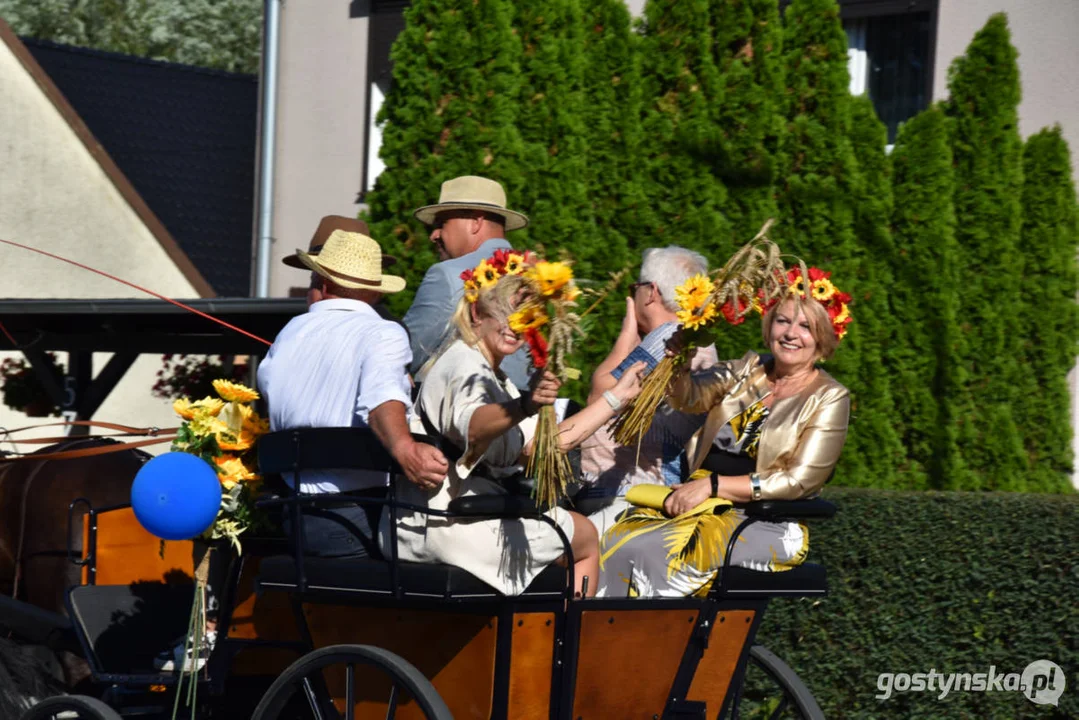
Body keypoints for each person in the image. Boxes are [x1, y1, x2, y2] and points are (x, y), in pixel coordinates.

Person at [384, 252, 646, 598]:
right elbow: (474, 426)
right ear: (477, 311)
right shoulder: (463, 363)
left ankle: (542, 635)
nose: (513, 325)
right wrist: (524, 404)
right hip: (441, 524)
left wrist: (615, 400)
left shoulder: (497, 377)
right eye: (505, 311)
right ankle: (567, 644)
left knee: (574, 527)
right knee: (583, 538)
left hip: (462, 514)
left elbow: (541, 447)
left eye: (525, 316)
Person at [596, 267, 852, 598]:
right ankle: (602, 641)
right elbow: (688, 397)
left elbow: (799, 480)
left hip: (764, 520)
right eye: (783, 321)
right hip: (695, 501)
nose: (791, 333)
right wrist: (680, 362)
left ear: (822, 337)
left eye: (805, 326)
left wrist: (713, 486)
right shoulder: (747, 368)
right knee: (616, 538)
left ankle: (656, 643)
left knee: (655, 553)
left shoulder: (830, 397)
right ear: (769, 325)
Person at [258, 219, 448, 559]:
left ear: (322, 283)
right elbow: (381, 401)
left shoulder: (288, 332)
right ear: (376, 291)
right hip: (357, 519)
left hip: (293, 518)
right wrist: (406, 449)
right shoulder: (383, 332)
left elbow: (271, 396)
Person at [579, 246, 718, 534]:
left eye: (635, 287)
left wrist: (628, 331)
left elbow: (601, 396)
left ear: (651, 291)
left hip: (627, 493)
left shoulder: (667, 339)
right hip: (648, 488)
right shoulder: (697, 341)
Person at [404, 175, 531, 388]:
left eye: (441, 223)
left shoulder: (447, 275)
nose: (434, 235)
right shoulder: (535, 277)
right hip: (526, 410)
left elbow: (405, 353)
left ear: (476, 222)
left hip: (463, 410)